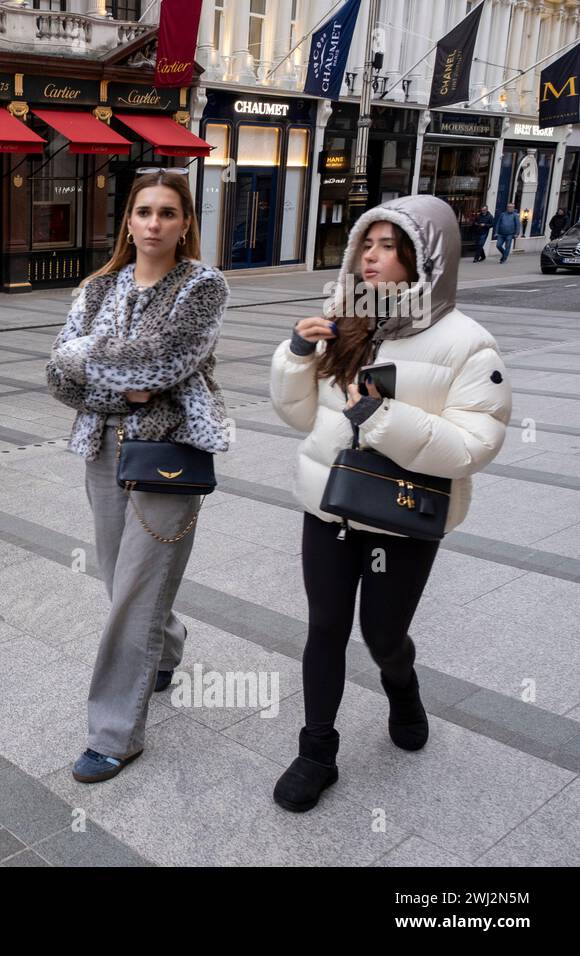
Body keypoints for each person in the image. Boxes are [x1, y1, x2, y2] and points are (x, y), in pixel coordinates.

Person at [268, 195, 512, 812]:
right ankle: (316, 751)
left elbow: (472, 446)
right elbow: (300, 415)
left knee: (382, 636)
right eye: (365, 245)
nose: (370, 259)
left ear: (424, 256)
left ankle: (402, 688)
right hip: (330, 504)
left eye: (388, 247)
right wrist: (296, 355)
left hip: (404, 517)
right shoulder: (346, 318)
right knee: (325, 627)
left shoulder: (467, 343)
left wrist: (380, 417)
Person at [46, 170, 230, 784]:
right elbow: (58, 372)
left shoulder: (202, 286)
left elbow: (166, 360)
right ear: (128, 220)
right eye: (144, 211)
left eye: (168, 213)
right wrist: (123, 382)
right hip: (102, 447)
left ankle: (113, 734)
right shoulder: (101, 285)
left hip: (168, 453)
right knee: (116, 577)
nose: (154, 223)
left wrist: (100, 363)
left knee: (134, 592)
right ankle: (166, 647)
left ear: (185, 224)